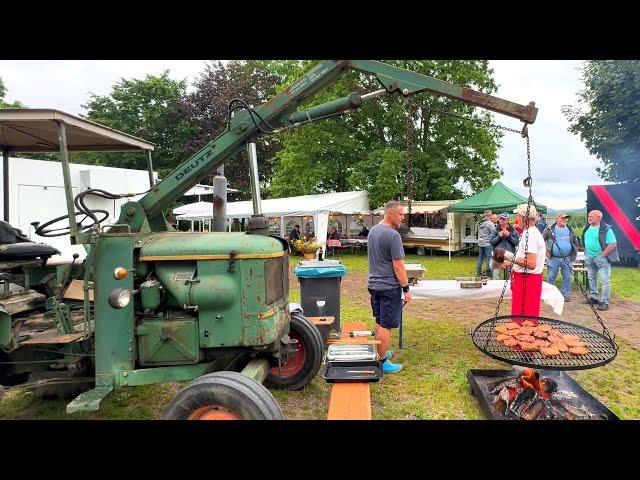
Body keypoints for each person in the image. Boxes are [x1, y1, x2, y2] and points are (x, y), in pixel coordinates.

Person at [367, 200, 412, 374]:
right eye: (400, 214)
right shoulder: (393, 236)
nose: (402, 218)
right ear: (390, 214)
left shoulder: (373, 231)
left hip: (374, 284)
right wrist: (406, 289)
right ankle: (382, 361)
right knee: (386, 325)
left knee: (379, 320)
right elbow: (398, 266)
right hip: (388, 286)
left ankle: (380, 351)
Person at [493, 203, 546, 323]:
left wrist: (507, 254)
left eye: (518, 215)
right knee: (520, 318)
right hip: (524, 280)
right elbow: (524, 258)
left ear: (524, 217)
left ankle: (523, 341)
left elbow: (531, 263)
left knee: (524, 321)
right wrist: (509, 262)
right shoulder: (528, 233)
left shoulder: (530, 234)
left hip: (527, 282)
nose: (516, 217)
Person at [583, 210, 619, 311]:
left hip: (601, 258)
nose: (589, 218)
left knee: (605, 280)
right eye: (589, 216)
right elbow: (585, 241)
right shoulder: (587, 227)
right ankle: (594, 298)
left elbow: (613, 243)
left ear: (599, 217)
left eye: (592, 216)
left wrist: (603, 255)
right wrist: (586, 253)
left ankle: (605, 302)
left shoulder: (606, 229)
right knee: (591, 278)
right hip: (589, 258)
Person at [543, 212, 580, 302]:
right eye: (563, 218)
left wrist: (575, 254)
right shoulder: (550, 229)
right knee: (551, 276)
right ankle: (549, 295)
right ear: (557, 218)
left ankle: (565, 295)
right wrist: (545, 251)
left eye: (566, 218)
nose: (565, 219)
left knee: (567, 276)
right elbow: (541, 239)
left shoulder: (570, 229)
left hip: (567, 258)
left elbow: (575, 242)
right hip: (553, 258)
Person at [489, 212, 519, 280]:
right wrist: (499, 236)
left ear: (508, 220)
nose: (502, 220)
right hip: (497, 256)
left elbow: (517, 242)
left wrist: (509, 236)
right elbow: (491, 242)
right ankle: (496, 289)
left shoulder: (513, 230)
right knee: (495, 276)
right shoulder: (495, 230)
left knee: (509, 277)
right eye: (501, 219)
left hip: (509, 256)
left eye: (504, 219)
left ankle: (508, 289)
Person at [475, 210, 496, 276]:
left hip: (480, 243)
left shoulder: (478, 223)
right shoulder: (490, 223)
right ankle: (488, 272)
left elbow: (475, 232)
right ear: (490, 215)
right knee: (489, 258)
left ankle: (478, 271)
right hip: (488, 243)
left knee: (480, 257)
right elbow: (494, 233)